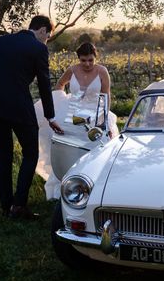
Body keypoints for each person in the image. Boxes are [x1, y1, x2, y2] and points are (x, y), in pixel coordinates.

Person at [0, 15, 64, 220]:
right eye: (48, 36)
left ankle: (6, 206)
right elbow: (45, 85)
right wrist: (50, 115)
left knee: (4, 155)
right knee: (30, 152)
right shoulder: (38, 49)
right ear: (43, 30)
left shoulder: (2, 41)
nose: (46, 40)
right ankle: (19, 206)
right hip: (20, 108)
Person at [35, 42, 119, 200]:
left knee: (95, 146)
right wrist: (61, 101)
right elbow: (60, 84)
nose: (87, 64)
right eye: (83, 60)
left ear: (95, 58)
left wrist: (104, 118)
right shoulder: (72, 70)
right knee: (65, 146)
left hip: (94, 113)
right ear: (78, 59)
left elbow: (106, 95)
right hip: (71, 112)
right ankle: (64, 186)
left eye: (90, 60)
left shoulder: (102, 71)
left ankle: (92, 184)